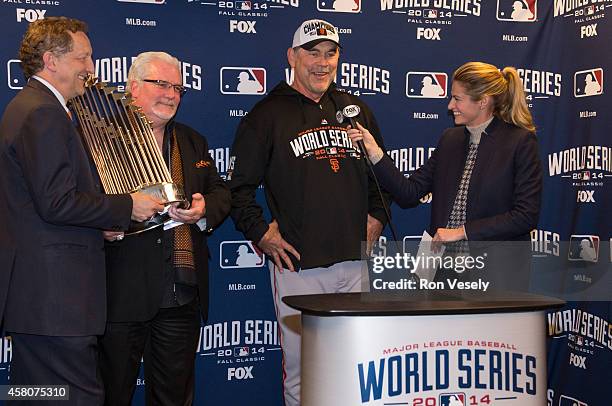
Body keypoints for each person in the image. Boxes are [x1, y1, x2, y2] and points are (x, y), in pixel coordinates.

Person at [0, 17, 162, 404]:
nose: (91, 69)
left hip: (40, 303)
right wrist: (128, 205)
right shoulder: (42, 112)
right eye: (83, 58)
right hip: (56, 303)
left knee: (37, 397)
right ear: (51, 60)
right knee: (75, 398)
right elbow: (57, 201)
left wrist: (97, 226)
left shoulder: (30, 107)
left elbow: (42, 205)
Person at [228, 19, 390, 406]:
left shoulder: (355, 110)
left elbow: (380, 174)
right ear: (292, 57)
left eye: (330, 53)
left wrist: (377, 216)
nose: (322, 63)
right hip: (299, 266)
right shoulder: (267, 114)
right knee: (302, 371)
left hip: (355, 263)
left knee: (357, 363)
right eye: (312, 53)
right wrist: (260, 233)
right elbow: (238, 189)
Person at [98, 52, 230, 406]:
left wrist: (203, 210)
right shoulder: (99, 137)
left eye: (177, 88)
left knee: (174, 397)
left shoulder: (192, 140)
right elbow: (79, 203)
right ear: (133, 87)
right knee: (111, 394)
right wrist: (108, 223)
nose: (171, 95)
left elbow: (220, 192)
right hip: (119, 292)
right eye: (161, 84)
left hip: (179, 290)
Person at [349, 61, 542, 287]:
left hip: (494, 276)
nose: (450, 105)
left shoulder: (519, 142)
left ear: (482, 102)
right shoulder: (450, 139)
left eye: (457, 99)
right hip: (442, 272)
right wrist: (375, 153)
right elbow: (409, 193)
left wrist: (462, 232)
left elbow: (525, 216)